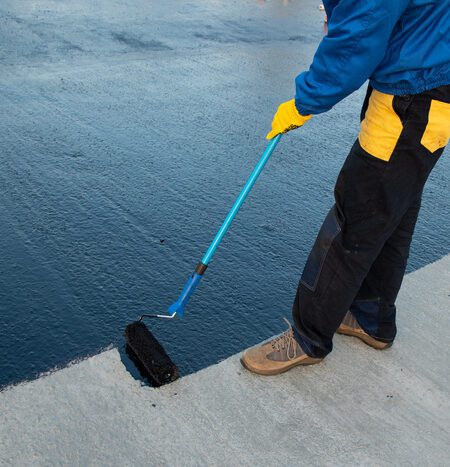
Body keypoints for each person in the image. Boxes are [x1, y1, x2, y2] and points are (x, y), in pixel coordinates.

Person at [241, 0, 450, 375]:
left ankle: (308, 337)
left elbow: (359, 36)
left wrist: (305, 101)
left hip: (409, 97)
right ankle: (372, 318)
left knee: (355, 219)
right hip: (432, 86)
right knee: (393, 215)